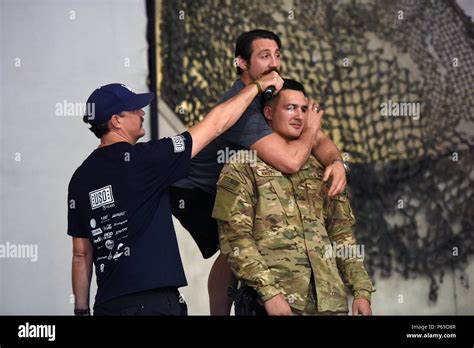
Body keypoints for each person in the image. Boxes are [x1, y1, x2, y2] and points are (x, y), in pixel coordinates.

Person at [68, 74, 283, 315]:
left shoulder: (80, 179)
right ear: (116, 121)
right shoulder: (147, 159)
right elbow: (216, 125)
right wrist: (256, 87)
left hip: (108, 306)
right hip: (155, 305)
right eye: (134, 109)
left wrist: (81, 311)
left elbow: (81, 254)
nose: (141, 113)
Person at [170, 29, 349, 315]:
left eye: (277, 55)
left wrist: (338, 163)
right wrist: (312, 129)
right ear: (242, 63)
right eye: (264, 56)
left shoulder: (274, 92)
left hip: (225, 176)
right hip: (193, 188)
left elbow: (319, 140)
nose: (274, 63)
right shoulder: (241, 107)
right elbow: (291, 160)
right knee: (234, 244)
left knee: (235, 247)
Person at [212, 79, 375, 316]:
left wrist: (361, 291)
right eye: (290, 108)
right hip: (270, 306)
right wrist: (270, 293)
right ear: (268, 113)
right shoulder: (241, 168)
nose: (299, 116)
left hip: (329, 306)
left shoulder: (323, 170)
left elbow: (341, 234)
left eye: (304, 109)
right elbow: (235, 239)